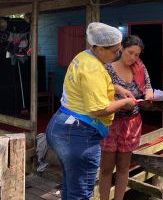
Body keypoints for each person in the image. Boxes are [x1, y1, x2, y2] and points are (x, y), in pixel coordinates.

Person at [46, 22, 136, 200]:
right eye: (114, 51)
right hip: (79, 135)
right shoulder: (94, 67)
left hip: (62, 124)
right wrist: (125, 102)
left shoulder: (84, 56)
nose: (116, 54)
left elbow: (87, 84)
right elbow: (99, 108)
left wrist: (117, 89)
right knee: (80, 193)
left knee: (70, 186)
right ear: (100, 48)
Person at [99, 35, 153, 200]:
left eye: (137, 55)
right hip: (110, 123)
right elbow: (100, 93)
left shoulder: (139, 67)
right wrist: (121, 101)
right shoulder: (107, 68)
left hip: (131, 123)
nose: (133, 58)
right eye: (130, 52)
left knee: (123, 167)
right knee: (107, 168)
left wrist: (148, 97)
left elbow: (148, 87)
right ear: (121, 48)